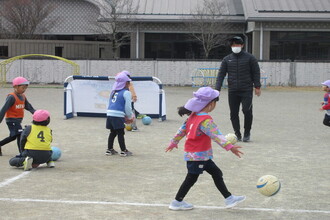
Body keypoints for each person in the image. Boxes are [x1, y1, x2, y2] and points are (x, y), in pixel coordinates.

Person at [165, 87, 245, 210]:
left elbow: (182, 130)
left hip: (202, 156)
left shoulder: (193, 116)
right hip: (198, 156)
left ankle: (229, 198)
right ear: (211, 104)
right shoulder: (205, 120)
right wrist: (230, 147)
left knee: (217, 173)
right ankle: (177, 201)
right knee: (191, 178)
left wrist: (174, 142)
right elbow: (216, 135)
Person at [215, 36, 261, 142]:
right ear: (231, 46)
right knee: (233, 113)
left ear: (242, 45)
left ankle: (247, 132)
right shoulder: (227, 59)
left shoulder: (250, 58)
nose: (235, 47)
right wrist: (217, 89)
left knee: (247, 110)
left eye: (237, 44)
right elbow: (221, 75)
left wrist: (257, 86)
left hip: (246, 90)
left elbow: (256, 72)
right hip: (233, 90)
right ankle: (237, 133)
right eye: (233, 45)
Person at [0, 77, 35, 156]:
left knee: (13, 137)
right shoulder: (11, 97)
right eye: (23, 88)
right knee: (20, 134)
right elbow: (4, 109)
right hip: (11, 120)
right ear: (15, 87)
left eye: (25, 88)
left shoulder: (23, 96)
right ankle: (22, 153)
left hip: (18, 120)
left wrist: (35, 112)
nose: (24, 89)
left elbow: (28, 106)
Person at [106, 72, 134, 156]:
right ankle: (123, 150)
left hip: (110, 114)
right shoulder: (126, 93)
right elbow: (128, 107)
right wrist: (129, 116)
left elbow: (110, 103)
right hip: (118, 115)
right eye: (128, 82)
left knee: (113, 132)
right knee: (120, 133)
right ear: (125, 83)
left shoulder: (113, 92)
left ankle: (109, 149)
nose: (129, 84)